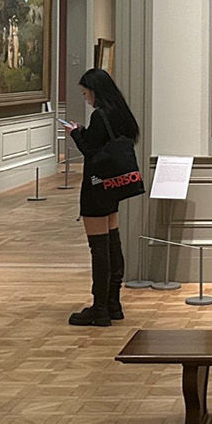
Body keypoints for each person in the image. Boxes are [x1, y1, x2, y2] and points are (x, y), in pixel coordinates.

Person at [64, 68, 140, 327]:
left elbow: (90, 152)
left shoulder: (100, 115)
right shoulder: (121, 114)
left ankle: (99, 308)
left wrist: (75, 134)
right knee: (113, 243)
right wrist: (85, 132)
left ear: (96, 91)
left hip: (96, 187)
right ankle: (113, 303)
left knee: (99, 248)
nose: (85, 98)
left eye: (86, 93)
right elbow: (104, 144)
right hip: (114, 186)